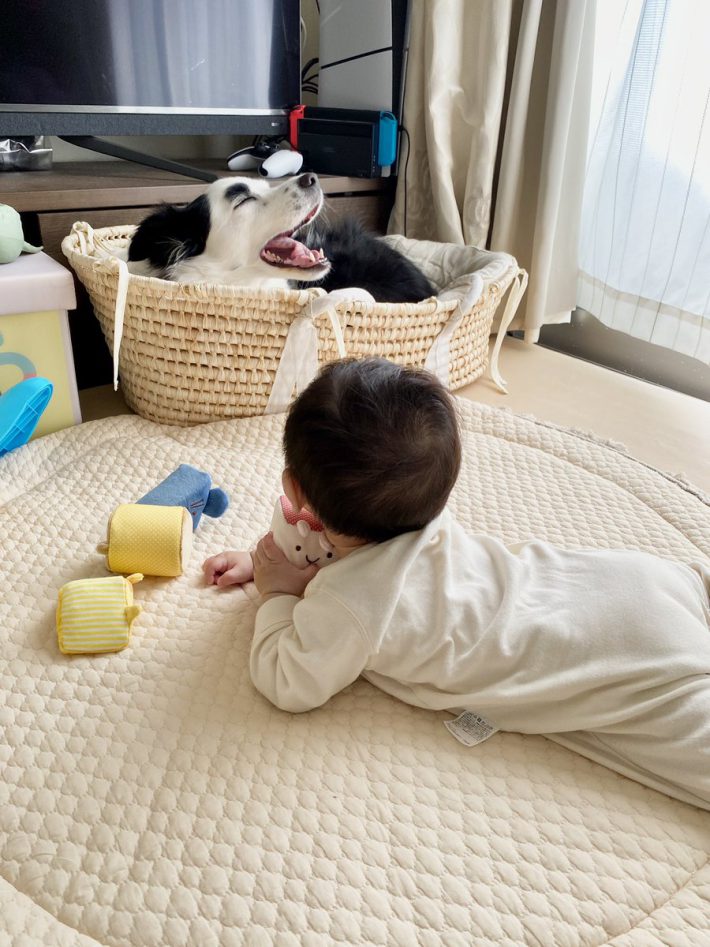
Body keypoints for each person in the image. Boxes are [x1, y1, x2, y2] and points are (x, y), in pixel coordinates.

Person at [203, 358, 710, 810]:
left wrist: (277, 595)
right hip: (640, 582)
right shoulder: (417, 516)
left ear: (294, 489)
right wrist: (266, 560)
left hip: (631, 671)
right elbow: (326, 544)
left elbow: (288, 680)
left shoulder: (348, 607)